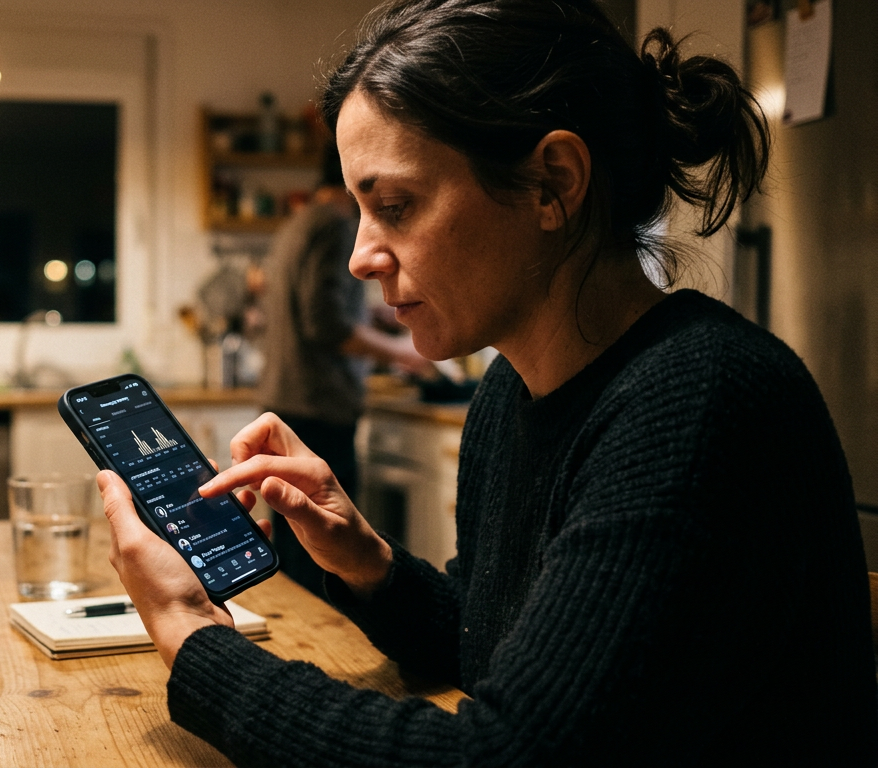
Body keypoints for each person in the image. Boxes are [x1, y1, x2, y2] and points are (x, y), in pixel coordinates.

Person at [97, 0, 878, 764]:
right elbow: (492, 644)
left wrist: (190, 632)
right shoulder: (509, 395)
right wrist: (367, 562)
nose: (361, 257)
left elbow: (509, 751)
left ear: (552, 184)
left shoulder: (704, 402)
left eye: (395, 205)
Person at [257, 139, 432, 596]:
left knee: (295, 549)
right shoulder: (334, 224)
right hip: (319, 404)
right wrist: (403, 352)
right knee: (323, 556)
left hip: (288, 403)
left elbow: (317, 306)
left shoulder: (297, 223)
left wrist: (373, 315)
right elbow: (325, 324)